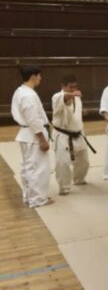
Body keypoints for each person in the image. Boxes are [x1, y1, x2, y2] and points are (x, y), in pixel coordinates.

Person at [11, 66, 53, 208]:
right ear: (33, 76)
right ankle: (37, 199)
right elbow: (33, 119)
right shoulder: (28, 95)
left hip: (27, 134)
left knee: (28, 168)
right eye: (39, 75)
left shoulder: (20, 91)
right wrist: (42, 138)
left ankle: (29, 196)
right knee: (37, 168)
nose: (40, 78)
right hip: (33, 135)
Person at [51, 75, 95, 195]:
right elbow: (65, 98)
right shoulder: (57, 97)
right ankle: (64, 187)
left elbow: (73, 111)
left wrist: (81, 112)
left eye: (75, 87)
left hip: (78, 133)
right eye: (70, 87)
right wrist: (72, 94)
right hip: (62, 135)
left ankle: (79, 179)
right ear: (63, 86)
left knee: (84, 161)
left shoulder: (77, 97)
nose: (73, 89)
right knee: (63, 163)